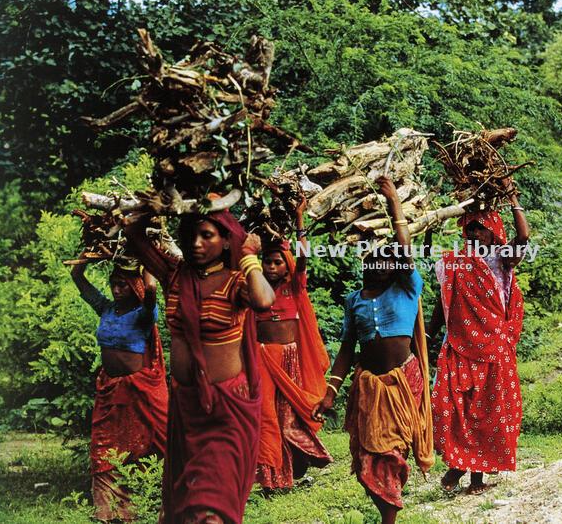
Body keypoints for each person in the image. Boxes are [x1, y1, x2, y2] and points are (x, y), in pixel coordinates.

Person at [126, 207, 275, 524]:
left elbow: (264, 301)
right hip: (186, 407)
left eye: (206, 235)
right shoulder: (175, 275)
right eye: (191, 235)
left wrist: (249, 256)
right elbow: (134, 235)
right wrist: (161, 202)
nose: (196, 243)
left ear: (225, 241)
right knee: (189, 503)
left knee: (210, 508)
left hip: (225, 409)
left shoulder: (236, 282)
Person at [312, 176, 434, 524]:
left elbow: (406, 250)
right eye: (374, 260)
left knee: (392, 450)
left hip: (402, 384)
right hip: (369, 386)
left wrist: (394, 202)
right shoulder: (354, 301)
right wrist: (330, 392)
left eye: (388, 260)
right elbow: (347, 349)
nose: (381, 265)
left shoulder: (407, 289)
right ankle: (386, 508)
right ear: (364, 262)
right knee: (368, 457)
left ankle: (389, 518)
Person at [428, 179, 529, 495]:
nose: (473, 234)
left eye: (480, 229)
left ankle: (475, 477)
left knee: (489, 410)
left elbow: (524, 236)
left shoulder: (502, 259)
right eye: (469, 228)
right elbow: (442, 301)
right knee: (457, 408)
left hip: (493, 348)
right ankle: (457, 465)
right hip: (459, 345)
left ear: (495, 232)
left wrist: (513, 201)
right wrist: (430, 336)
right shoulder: (454, 261)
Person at [71, 258, 168, 522]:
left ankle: (168, 498)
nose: (116, 290)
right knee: (103, 446)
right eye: (114, 285)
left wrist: (147, 256)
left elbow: (150, 291)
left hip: (140, 390)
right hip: (109, 390)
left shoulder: (144, 314)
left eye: (123, 285)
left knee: (156, 441)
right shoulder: (106, 309)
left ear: (133, 286)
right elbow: (78, 279)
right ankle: (109, 510)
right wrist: (85, 259)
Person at [255, 195, 332, 490]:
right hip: (263, 360)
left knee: (288, 417)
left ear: (286, 267)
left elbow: (303, 258)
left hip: (289, 359)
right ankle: (272, 481)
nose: (271, 267)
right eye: (267, 261)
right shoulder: (254, 291)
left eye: (277, 262)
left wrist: (300, 219)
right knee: (266, 417)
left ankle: (298, 465)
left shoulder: (293, 286)